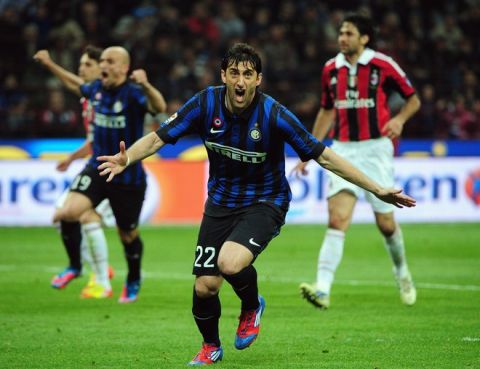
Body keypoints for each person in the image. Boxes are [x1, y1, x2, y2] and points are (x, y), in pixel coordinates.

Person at [97, 43, 415, 365]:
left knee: (230, 263)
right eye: (234, 73)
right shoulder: (205, 103)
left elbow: (325, 156)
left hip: (266, 201)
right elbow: (157, 138)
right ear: (223, 75)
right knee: (205, 287)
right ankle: (211, 346)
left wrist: (377, 189)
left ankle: (251, 306)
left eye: (248, 74)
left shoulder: (273, 114)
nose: (240, 81)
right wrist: (128, 159)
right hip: (220, 202)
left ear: (258, 79)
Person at [291, 14, 421, 309]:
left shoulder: (382, 65)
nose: (342, 38)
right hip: (344, 150)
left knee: (386, 225)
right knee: (337, 219)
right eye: (341, 33)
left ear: (364, 38)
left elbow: (413, 98)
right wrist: (309, 150)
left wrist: (400, 119)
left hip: (376, 149)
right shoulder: (330, 70)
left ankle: (403, 274)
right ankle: (322, 289)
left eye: (349, 33)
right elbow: (327, 111)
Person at [35, 46, 167, 303]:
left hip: (126, 174)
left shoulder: (133, 94)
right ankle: (75, 266)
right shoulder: (95, 89)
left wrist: (147, 84)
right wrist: (50, 65)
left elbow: (159, 107)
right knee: (67, 213)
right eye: (102, 60)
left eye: (109, 61)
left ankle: (133, 278)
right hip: (97, 167)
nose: (103, 64)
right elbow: (75, 84)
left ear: (123, 68)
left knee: (127, 234)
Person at [34, 46, 115, 298]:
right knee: (61, 216)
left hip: (115, 170)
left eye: (87, 64)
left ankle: (102, 282)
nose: (81, 68)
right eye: (80, 63)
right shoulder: (89, 99)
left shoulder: (106, 95)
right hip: (95, 165)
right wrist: (71, 158)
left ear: (101, 68)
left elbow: (73, 82)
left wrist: (49, 64)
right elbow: (93, 140)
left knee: (87, 216)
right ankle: (98, 269)